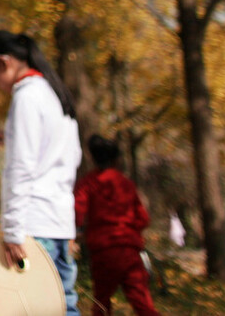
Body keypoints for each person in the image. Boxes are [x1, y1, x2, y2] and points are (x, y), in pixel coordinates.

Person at [0, 29, 82, 316]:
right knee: (65, 307)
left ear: (5, 62)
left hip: (34, 225)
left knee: (36, 309)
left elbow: (21, 167)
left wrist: (12, 230)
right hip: (60, 221)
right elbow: (67, 156)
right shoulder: (54, 94)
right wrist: (12, 137)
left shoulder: (26, 97)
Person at [74, 134, 160, 316]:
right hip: (129, 250)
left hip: (103, 252)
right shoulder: (126, 183)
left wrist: (78, 233)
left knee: (102, 303)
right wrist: (129, 229)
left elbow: (77, 213)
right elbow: (143, 219)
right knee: (143, 304)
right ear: (115, 158)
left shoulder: (87, 184)